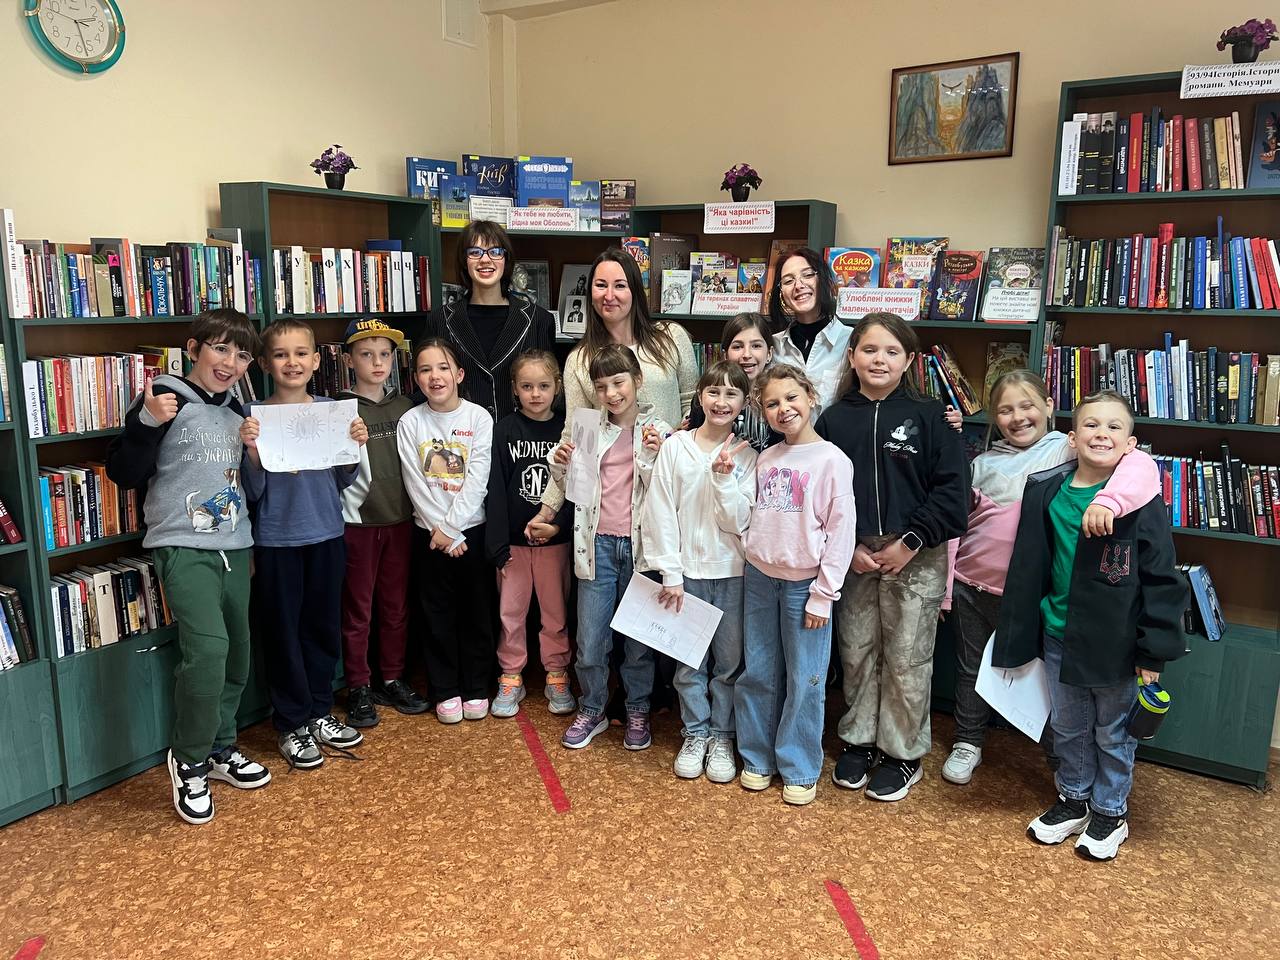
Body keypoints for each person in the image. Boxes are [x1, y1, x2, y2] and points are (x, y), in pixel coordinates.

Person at [994, 390, 1187, 861]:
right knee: (1068, 726)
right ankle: (1074, 798)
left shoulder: (1140, 500)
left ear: (1130, 444)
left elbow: (1161, 578)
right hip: (1059, 633)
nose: (1102, 434)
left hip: (1115, 643)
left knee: (1113, 733)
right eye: (1091, 425)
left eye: (1114, 427)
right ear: (1072, 436)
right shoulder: (1049, 491)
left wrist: (1153, 651)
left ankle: (1110, 811)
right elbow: (1031, 564)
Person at [942, 370, 1159, 786]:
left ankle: (1061, 757)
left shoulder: (1067, 448)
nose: (1017, 417)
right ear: (993, 417)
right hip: (971, 585)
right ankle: (968, 741)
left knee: (1044, 677)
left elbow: (1141, 464)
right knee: (971, 670)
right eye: (1005, 410)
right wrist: (946, 588)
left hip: (1029, 595)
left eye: (1027, 406)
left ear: (1048, 407)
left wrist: (1111, 501)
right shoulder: (982, 462)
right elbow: (957, 525)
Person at [105, 309, 269, 824]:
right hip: (183, 545)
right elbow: (123, 471)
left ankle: (220, 746)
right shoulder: (164, 397)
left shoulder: (238, 408)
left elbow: (248, 486)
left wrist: (254, 452)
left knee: (237, 653)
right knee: (208, 652)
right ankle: (190, 760)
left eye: (242, 355)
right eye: (220, 348)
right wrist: (148, 422)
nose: (231, 362)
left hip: (235, 544)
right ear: (194, 348)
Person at [816, 313, 968, 803]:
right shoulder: (833, 420)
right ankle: (859, 740)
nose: (879, 360)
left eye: (891, 351)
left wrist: (911, 541)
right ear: (852, 356)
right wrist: (849, 548)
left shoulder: (931, 417)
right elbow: (821, 490)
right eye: (869, 350)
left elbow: (952, 492)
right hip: (853, 552)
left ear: (908, 360)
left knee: (907, 656)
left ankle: (903, 752)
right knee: (857, 650)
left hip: (916, 552)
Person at [240, 319, 368, 769]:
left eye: (300, 354)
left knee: (322, 627)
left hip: (327, 535)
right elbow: (250, 491)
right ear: (264, 363)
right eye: (280, 354)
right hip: (276, 542)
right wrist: (253, 455)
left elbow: (343, 479)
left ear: (316, 361)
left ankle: (318, 711)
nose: (291, 362)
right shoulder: (253, 417)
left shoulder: (331, 410)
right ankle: (291, 722)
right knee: (283, 633)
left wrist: (354, 446)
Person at [735, 364, 855, 806]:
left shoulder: (832, 460)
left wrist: (824, 595)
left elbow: (841, 532)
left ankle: (799, 766)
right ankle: (757, 757)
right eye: (772, 403)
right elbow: (752, 514)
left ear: (810, 396)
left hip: (805, 587)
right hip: (759, 579)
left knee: (805, 678)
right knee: (759, 671)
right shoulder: (766, 458)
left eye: (791, 398)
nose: (783, 409)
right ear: (762, 411)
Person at [550, 344, 670, 751]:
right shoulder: (587, 427)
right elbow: (574, 489)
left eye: (618, 383)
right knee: (590, 641)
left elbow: (666, 491)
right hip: (597, 545)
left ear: (637, 380)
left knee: (637, 644)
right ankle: (593, 708)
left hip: (640, 549)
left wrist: (654, 455)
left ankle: (637, 708)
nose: (611, 394)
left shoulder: (659, 429)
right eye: (601, 387)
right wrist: (560, 463)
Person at [642, 360, 757, 782]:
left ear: (744, 402)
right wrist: (670, 573)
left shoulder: (748, 457)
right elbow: (660, 511)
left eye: (731, 394)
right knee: (688, 663)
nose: (721, 401)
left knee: (728, 663)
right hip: (686, 575)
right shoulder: (676, 447)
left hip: (732, 573)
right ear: (700, 396)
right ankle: (695, 732)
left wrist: (724, 479)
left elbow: (740, 521)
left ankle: (722, 736)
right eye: (713, 391)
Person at [335, 318, 430, 729]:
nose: (377, 363)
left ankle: (391, 677)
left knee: (395, 606)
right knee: (358, 610)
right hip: (356, 523)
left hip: (401, 520)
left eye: (385, 354)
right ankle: (358, 684)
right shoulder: (338, 409)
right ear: (348, 360)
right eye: (366, 354)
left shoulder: (406, 407)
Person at [397, 338, 496, 723]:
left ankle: (476, 686)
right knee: (436, 613)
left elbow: (478, 479)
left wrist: (454, 528)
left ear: (459, 374)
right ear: (416, 378)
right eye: (425, 369)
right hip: (429, 535)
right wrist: (441, 532)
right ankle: (444, 688)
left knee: (476, 612)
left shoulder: (478, 418)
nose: (435, 376)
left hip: (471, 531)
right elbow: (415, 482)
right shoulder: (411, 422)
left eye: (442, 368)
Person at [486, 349, 576, 718]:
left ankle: (556, 671)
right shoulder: (504, 430)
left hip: (555, 542)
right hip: (514, 545)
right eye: (526, 386)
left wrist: (559, 525)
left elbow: (578, 488)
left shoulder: (567, 430)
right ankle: (511, 674)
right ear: (514, 389)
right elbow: (494, 489)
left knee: (555, 613)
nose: (535, 394)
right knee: (511, 612)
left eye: (543, 386)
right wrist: (498, 544)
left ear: (558, 387)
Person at [421, 220, 556, 422]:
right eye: (475, 252)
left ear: (506, 259)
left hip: (521, 436)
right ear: (464, 261)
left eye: (495, 252)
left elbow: (550, 387)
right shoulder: (440, 320)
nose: (485, 260)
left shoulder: (539, 320)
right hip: (459, 435)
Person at [766, 247, 852, 414]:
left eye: (807, 275)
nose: (799, 285)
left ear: (823, 280)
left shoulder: (851, 341)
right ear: (781, 292)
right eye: (788, 281)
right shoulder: (772, 346)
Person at [685, 312, 780, 451]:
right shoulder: (709, 398)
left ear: (769, 354)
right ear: (725, 355)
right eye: (737, 347)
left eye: (756, 346)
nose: (746, 354)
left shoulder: (778, 399)